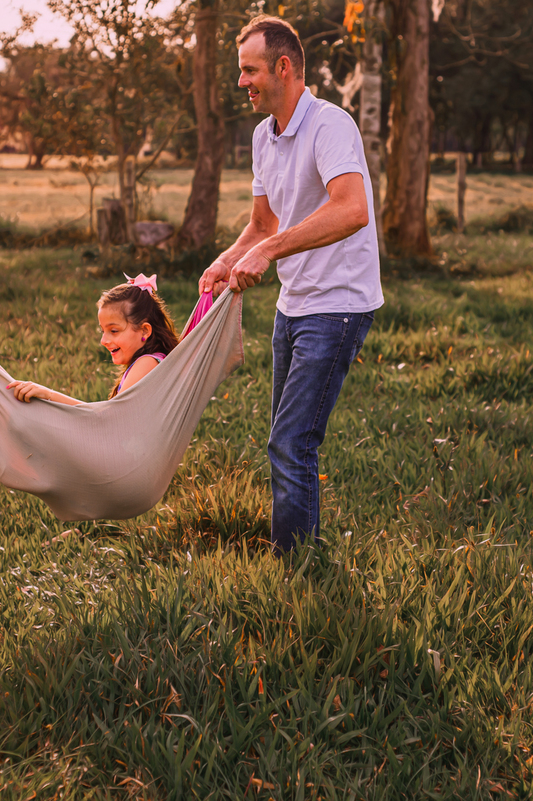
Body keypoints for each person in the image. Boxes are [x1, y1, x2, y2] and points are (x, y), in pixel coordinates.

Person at [199, 15, 383, 553]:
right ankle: (297, 557)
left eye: (250, 70)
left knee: (291, 441)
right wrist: (227, 258)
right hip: (292, 305)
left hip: (339, 304)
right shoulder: (265, 136)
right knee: (287, 440)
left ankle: (296, 566)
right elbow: (262, 224)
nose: (242, 82)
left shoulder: (330, 125)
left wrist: (268, 252)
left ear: (284, 67)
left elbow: (352, 210)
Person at [7, 274, 180, 404]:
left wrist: (49, 395)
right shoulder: (151, 361)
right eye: (102, 331)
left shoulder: (147, 363)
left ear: (144, 331)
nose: (103, 340)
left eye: (114, 330)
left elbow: (107, 418)